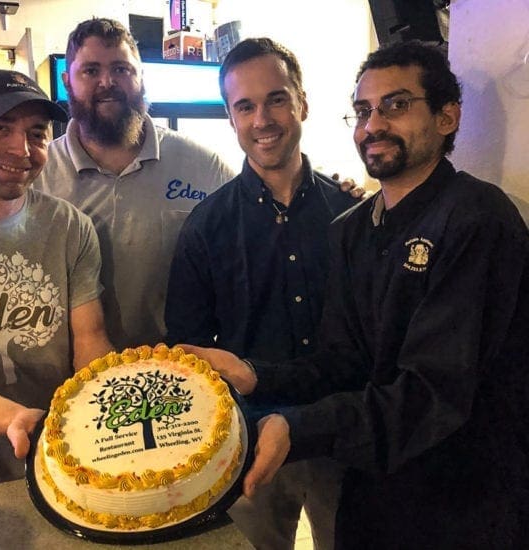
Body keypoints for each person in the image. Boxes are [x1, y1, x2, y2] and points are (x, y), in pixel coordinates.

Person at [184, 40, 529, 549]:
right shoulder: (353, 228)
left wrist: (297, 428)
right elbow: (344, 360)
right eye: (364, 110)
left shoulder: (478, 219)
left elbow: (433, 392)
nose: (374, 125)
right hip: (374, 487)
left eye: (397, 104)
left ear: (447, 117)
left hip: (462, 498)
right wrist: (254, 374)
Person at [165, 38, 360, 550]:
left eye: (275, 99)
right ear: (230, 119)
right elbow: (188, 349)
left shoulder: (354, 215)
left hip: (337, 434)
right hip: (246, 439)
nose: (262, 119)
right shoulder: (205, 225)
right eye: (245, 106)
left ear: (302, 103)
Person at [0, 69, 113, 496]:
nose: (21, 149)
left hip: (60, 470)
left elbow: (90, 342)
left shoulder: (71, 228)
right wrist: (12, 417)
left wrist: (110, 408)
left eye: (36, 133)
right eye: (0, 128)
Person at [34, 18, 235, 350]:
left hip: (175, 366)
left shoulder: (204, 166)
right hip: (66, 371)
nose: (107, 82)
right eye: (90, 71)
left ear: (142, 77)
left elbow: (257, 225)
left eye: (121, 69)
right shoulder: (37, 174)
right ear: (67, 81)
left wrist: (332, 195)